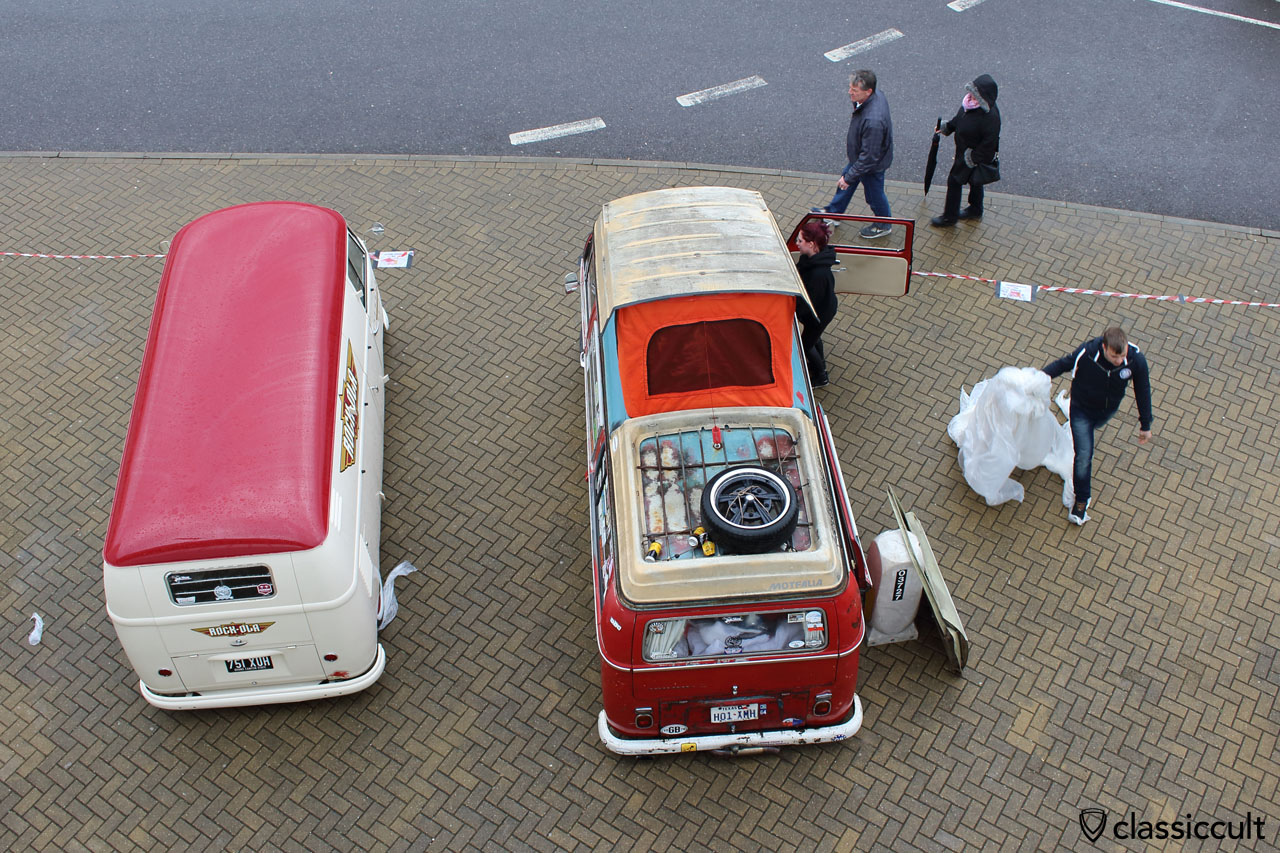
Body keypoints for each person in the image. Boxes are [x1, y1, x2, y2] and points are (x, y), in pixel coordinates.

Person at [1042, 327, 1153, 525]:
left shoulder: (1136, 360)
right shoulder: (1087, 353)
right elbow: (1064, 364)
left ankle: (1077, 437)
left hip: (1105, 412)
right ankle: (1082, 499)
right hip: (1081, 410)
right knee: (1084, 455)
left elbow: (1143, 391)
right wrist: (1038, 378)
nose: (1119, 361)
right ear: (1104, 348)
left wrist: (1146, 424)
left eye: (1122, 356)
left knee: (1086, 441)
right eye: (1114, 356)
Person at [812, 69, 894, 240]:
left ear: (868, 91)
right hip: (862, 157)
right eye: (850, 88)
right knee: (846, 180)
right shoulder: (875, 96)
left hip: (870, 164)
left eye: (854, 91)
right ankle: (834, 212)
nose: (850, 92)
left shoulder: (873, 121)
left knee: (873, 195)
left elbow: (869, 157)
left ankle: (884, 224)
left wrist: (849, 177)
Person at [930, 74, 1000, 227]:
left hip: (972, 157)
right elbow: (959, 119)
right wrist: (947, 127)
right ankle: (975, 209)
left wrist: (972, 158)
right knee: (976, 181)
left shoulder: (990, 117)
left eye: (975, 93)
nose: (970, 95)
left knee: (954, 181)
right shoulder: (969, 105)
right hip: (965, 152)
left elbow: (989, 144)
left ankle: (949, 217)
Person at [793, 220, 838, 388]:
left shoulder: (818, 275)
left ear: (811, 244)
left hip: (819, 314)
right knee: (814, 338)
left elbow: (808, 302)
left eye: (800, 241)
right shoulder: (812, 259)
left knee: (804, 345)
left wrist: (792, 311)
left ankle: (821, 376)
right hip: (820, 311)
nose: (797, 244)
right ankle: (819, 364)